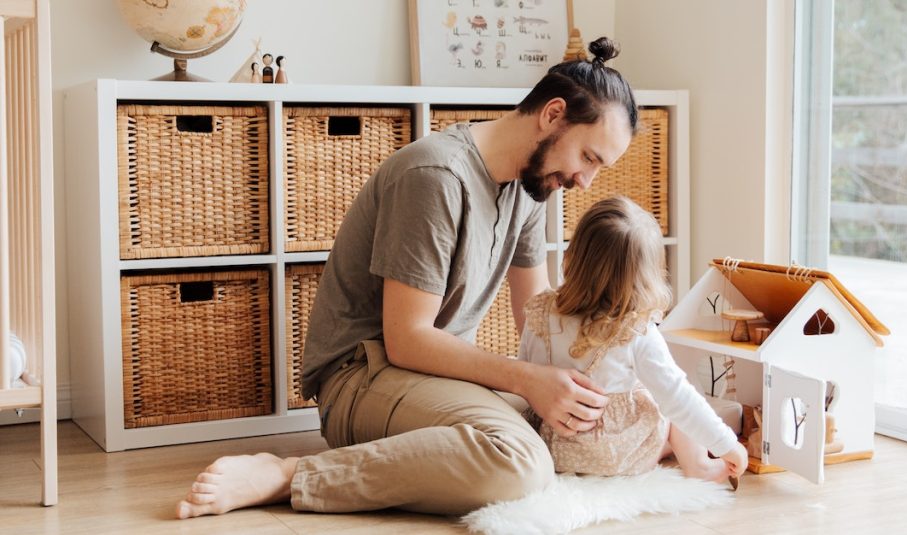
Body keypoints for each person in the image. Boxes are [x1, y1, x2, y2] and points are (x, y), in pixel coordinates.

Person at [176, 37, 639, 519]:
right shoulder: (436, 176)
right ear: (553, 114)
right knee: (521, 464)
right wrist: (529, 381)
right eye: (588, 158)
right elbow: (407, 339)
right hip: (363, 376)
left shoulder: (528, 186)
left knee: (582, 420)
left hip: (437, 378)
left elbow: (538, 320)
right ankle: (292, 474)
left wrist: (602, 376)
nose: (585, 181)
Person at [517, 196, 748, 486]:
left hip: (554, 446)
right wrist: (728, 445)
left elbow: (526, 371)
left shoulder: (541, 312)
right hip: (616, 455)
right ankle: (699, 465)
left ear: (572, 256)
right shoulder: (636, 331)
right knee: (670, 399)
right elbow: (679, 398)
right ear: (646, 278)